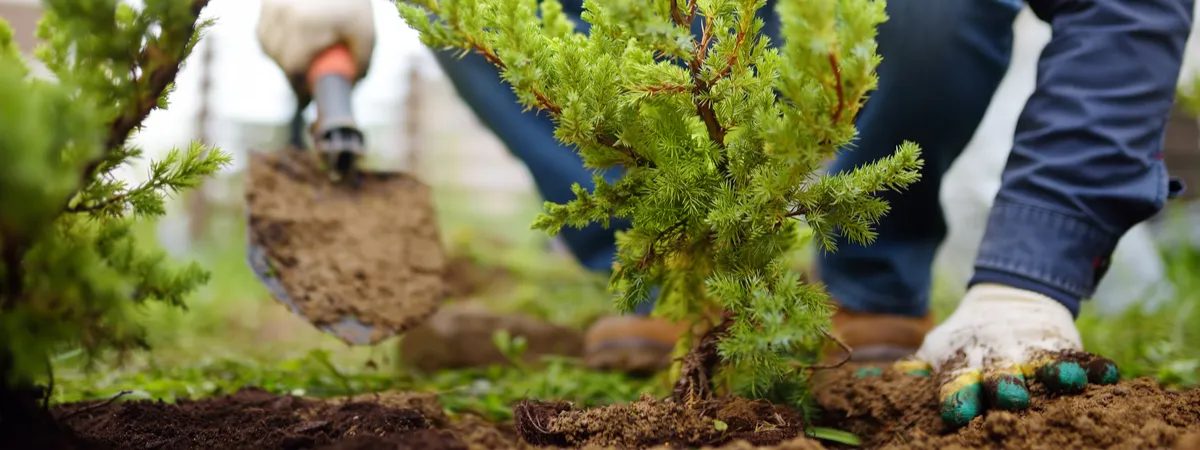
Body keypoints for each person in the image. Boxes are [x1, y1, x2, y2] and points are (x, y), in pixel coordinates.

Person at [256, 0, 1193, 426]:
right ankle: (659, 263)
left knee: (935, 8)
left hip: (827, 22)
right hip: (647, 27)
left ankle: (873, 278)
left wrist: (1031, 274)